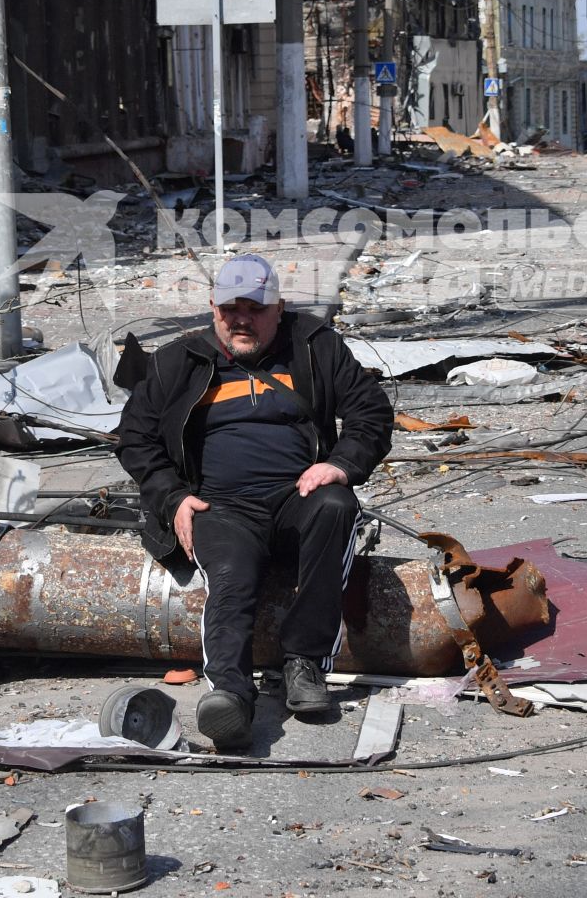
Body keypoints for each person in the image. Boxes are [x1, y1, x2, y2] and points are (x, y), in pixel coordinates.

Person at [115, 254, 393, 752]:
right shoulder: (178, 360)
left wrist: (341, 465)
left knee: (337, 506)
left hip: (298, 497)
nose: (241, 319)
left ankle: (305, 664)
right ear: (212, 308)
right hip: (220, 507)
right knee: (232, 579)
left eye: (255, 308)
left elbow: (370, 412)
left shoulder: (314, 346)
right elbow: (135, 440)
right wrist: (173, 498)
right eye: (230, 309)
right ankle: (230, 695)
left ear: (278, 308)